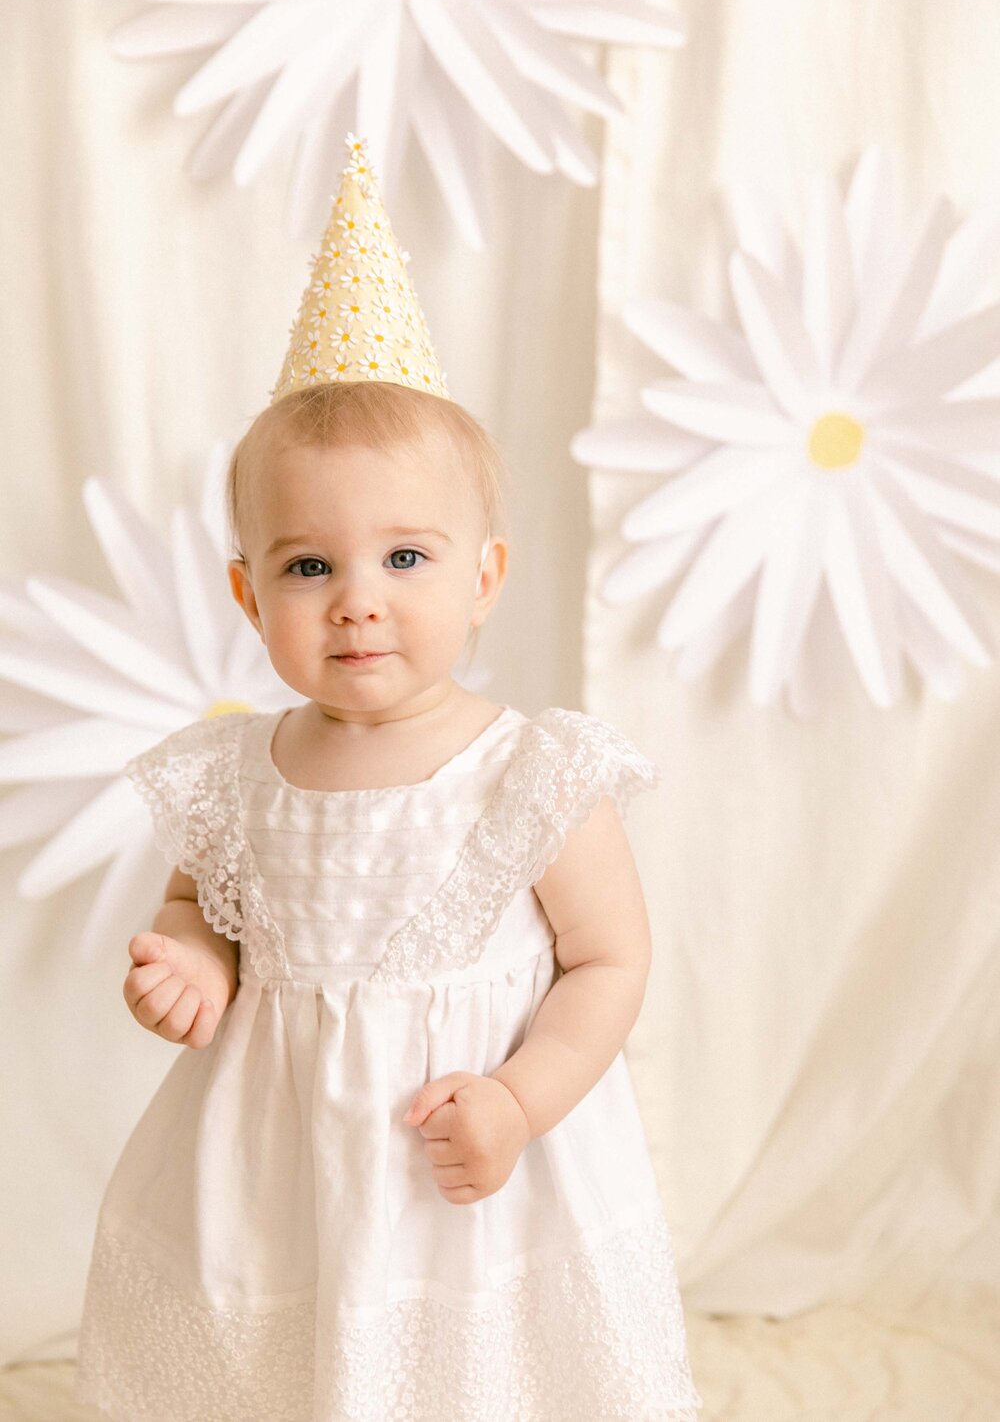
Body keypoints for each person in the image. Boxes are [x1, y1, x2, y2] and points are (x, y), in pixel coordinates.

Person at [75, 139, 702, 1422]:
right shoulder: (240, 775)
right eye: (309, 568)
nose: (358, 603)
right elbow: (209, 908)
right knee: (286, 1369)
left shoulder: (531, 772)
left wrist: (522, 1102)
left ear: (483, 575)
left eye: (406, 557)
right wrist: (192, 961)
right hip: (279, 1173)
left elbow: (609, 963)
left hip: (467, 1173)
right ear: (250, 595)